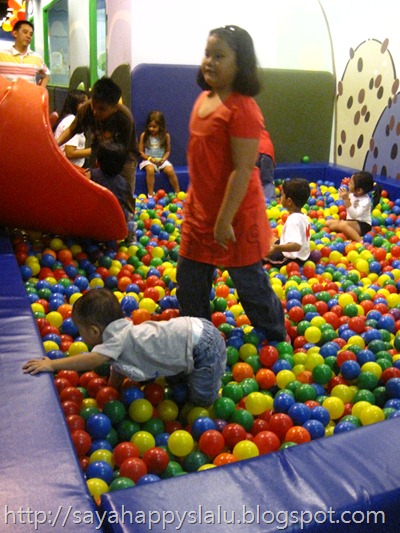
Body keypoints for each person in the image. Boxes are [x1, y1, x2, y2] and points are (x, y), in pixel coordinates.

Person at [176, 25, 286, 344]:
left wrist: (224, 219)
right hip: (201, 212)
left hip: (235, 215)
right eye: (207, 54)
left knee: (250, 285)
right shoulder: (203, 99)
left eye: (219, 56)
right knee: (189, 282)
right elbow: (202, 162)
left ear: (240, 64)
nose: (209, 61)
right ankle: (200, 342)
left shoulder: (243, 108)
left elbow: (242, 169)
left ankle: (277, 337)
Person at [22, 288, 227, 407]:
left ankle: (214, 393)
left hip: (203, 346)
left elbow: (93, 360)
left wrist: (53, 365)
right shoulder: (121, 332)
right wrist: (113, 389)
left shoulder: (115, 341)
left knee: (201, 399)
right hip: (193, 330)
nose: (80, 335)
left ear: (94, 331)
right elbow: (117, 367)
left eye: (81, 330)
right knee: (177, 385)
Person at [56, 77, 138, 196]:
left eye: (102, 109)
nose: (95, 111)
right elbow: (72, 129)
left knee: (123, 191)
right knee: (95, 190)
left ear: (114, 108)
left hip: (124, 156)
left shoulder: (124, 118)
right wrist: (56, 143)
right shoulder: (87, 108)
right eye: (94, 105)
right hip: (99, 149)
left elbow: (122, 151)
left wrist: (103, 173)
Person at [89, 141, 136, 244]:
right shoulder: (123, 184)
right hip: (114, 224)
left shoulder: (91, 175)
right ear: (123, 165)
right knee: (129, 216)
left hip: (93, 221)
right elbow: (130, 205)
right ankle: (130, 240)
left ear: (98, 160)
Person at [263, 178, 311, 266]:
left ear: (289, 201)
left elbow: (296, 245)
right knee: (268, 237)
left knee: (257, 256)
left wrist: (275, 248)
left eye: (282, 195)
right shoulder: (303, 216)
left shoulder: (293, 220)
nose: (280, 197)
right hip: (302, 255)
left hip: (289, 259)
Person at [326, 171, 382, 242]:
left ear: (359, 190)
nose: (348, 183)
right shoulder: (353, 194)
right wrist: (342, 187)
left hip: (363, 225)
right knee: (328, 223)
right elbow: (340, 197)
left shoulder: (365, 201)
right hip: (350, 222)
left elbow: (354, 215)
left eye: (351, 183)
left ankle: (360, 241)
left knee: (343, 225)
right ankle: (346, 232)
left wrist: (346, 200)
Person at [139, 110, 180, 196]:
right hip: (148, 160)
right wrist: (150, 159)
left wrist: (163, 159)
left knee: (170, 170)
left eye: (154, 127)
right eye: (150, 126)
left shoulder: (166, 136)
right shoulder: (144, 135)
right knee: (150, 169)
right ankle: (150, 194)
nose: (151, 129)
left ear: (160, 126)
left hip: (161, 160)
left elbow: (167, 151)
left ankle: (177, 192)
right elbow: (140, 152)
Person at [0, 20, 50, 87]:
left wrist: (40, 90)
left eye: (31, 34)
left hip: (30, 94)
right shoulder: (2, 55)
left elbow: (46, 74)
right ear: (15, 33)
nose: (28, 36)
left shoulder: (37, 58)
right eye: (25, 32)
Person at [53, 89, 90, 167]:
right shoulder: (71, 120)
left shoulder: (68, 117)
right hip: (71, 167)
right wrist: (95, 151)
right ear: (74, 105)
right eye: (82, 103)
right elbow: (70, 153)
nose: (86, 106)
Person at [257, 128, 276, 202]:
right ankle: (270, 202)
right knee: (267, 182)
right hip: (267, 153)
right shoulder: (262, 131)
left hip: (254, 152)